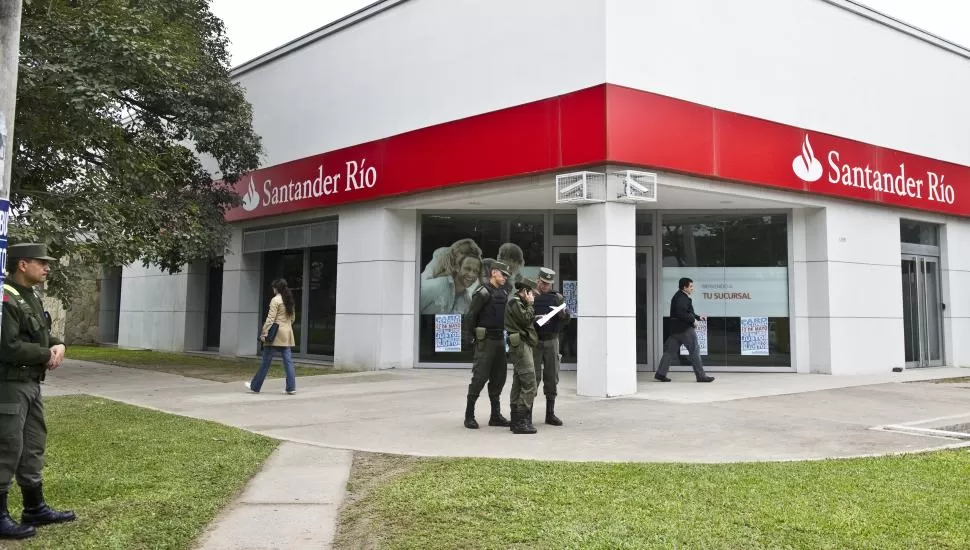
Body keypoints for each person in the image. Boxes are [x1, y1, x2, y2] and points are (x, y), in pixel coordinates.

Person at [0, 243, 76, 540]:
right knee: (7, 447)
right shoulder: (5, 298)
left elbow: (39, 332)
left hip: (30, 383)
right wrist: (46, 353)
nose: (46, 268)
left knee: (33, 444)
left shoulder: (28, 296)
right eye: (41, 263)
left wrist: (58, 343)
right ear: (22, 265)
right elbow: (7, 347)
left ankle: (34, 508)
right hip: (9, 385)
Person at [461, 261, 512, 429]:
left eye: (506, 276)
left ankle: (495, 416)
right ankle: (469, 415)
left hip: (499, 340)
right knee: (480, 378)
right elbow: (470, 315)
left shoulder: (504, 292)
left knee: (499, 378)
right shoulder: (483, 292)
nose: (505, 278)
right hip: (486, 342)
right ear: (494, 273)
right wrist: (469, 337)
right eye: (503, 274)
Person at [655, 277, 715, 383]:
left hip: (676, 330)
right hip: (684, 329)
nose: (692, 288)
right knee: (694, 350)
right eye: (691, 286)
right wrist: (693, 321)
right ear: (684, 287)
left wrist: (697, 317)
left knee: (669, 352)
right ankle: (701, 376)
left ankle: (661, 373)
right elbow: (681, 313)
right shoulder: (682, 298)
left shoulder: (679, 296)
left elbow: (685, 311)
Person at [246, 279, 298, 395]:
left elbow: (270, 319)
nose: (273, 289)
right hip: (287, 334)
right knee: (288, 362)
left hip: (274, 335)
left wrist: (264, 332)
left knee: (265, 362)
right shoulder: (288, 299)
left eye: (274, 287)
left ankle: (255, 386)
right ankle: (291, 387)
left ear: (277, 288)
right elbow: (293, 318)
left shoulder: (275, 300)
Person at [531, 268, 569, 426]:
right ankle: (527, 414)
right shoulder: (530, 295)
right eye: (543, 282)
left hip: (552, 340)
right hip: (534, 340)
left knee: (552, 376)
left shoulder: (557, 297)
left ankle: (550, 413)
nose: (546, 286)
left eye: (548, 284)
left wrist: (564, 315)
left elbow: (567, 319)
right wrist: (535, 319)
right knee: (532, 377)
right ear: (538, 280)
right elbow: (520, 316)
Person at [505, 278, 539, 434]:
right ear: (525, 291)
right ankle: (520, 421)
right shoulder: (515, 302)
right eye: (531, 293)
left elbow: (525, 320)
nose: (533, 296)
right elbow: (525, 319)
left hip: (523, 344)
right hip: (520, 346)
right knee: (530, 382)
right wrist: (531, 305)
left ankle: (516, 420)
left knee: (519, 382)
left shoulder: (519, 303)